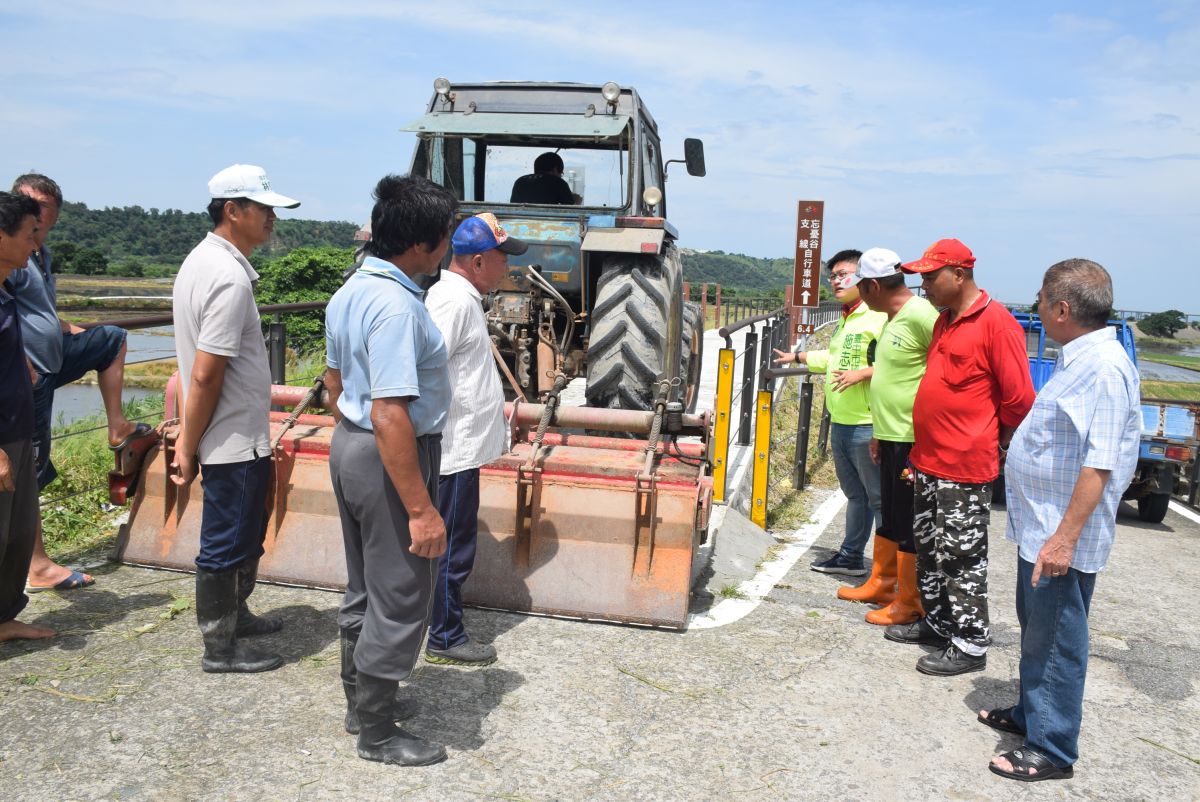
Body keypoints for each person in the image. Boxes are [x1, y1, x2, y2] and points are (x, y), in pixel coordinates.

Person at [981, 260, 1139, 782]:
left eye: (1043, 299)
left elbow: (1101, 462)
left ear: (1064, 308)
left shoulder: (1105, 368)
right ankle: (1032, 714)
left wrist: (1064, 538)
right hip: (1041, 526)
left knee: (1057, 641)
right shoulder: (1079, 358)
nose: (1038, 307)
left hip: (1061, 533)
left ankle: (1051, 747)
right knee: (1037, 629)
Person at [323, 174, 458, 767]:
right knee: (403, 592)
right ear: (424, 245)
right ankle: (377, 732)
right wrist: (421, 508)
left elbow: (335, 385)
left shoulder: (351, 290)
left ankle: (361, 701)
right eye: (447, 235)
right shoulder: (399, 306)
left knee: (365, 584)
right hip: (389, 454)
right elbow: (391, 411)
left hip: (351, 446)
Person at [883, 238, 1034, 676]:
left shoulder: (997, 324)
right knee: (930, 548)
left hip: (964, 465)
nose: (923, 285)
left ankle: (969, 643)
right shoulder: (944, 321)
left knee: (962, 556)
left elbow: (1019, 399)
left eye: (930, 276)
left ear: (959, 275)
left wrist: (992, 439)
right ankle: (938, 622)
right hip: (929, 459)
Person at [171, 164, 300, 674]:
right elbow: (204, 375)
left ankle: (236, 616)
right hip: (232, 439)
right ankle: (219, 647)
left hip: (235, 436)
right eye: (263, 208)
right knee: (226, 540)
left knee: (244, 532)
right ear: (233, 211)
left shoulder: (203, 262)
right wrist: (187, 443)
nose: (271, 219)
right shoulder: (226, 276)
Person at [10, 173, 156, 592]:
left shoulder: (39, 253)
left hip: (48, 360)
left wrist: (64, 326)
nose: (38, 230)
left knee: (110, 339)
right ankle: (35, 565)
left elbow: (36, 309)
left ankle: (117, 426)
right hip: (26, 372)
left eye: (46, 223)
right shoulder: (9, 253)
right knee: (30, 468)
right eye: (32, 221)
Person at [424, 213, 526, 666]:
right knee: (452, 546)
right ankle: (444, 635)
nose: (508, 268)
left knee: (453, 542)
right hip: (453, 450)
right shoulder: (455, 303)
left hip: (460, 447)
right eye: (503, 258)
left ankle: (437, 626)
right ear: (480, 260)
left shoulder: (459, 297)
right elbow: (425, 370)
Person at [837, 248, 939, 626]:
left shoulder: (921, 316)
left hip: (914, 438)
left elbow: (945, 365)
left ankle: (909, 601)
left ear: (874, 285)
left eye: (860, 285)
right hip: (892, 433)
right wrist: (880, 432)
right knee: (893, 515)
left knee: (910, 517)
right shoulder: (893, 317)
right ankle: (883, 582)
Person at [774, 249, 887, 577]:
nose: (836, 281)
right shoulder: (848, 317)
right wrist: (798, 358)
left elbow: (899, 366)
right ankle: (851, 556)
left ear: (864, 276)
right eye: (833, 276)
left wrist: (863, 374)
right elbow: (837, 358)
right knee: (855, 495)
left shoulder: (878, 317)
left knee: (878, 499)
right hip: (842, 420)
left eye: (843, 274)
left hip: (868, 423)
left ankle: (886, 569)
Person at [0, 192, 55, 642]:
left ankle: (3, 618)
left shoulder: (4, 292)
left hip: (17, 428)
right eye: (26, 235)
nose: (33, 246)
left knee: (16, 533)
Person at [509, 152, 575, 205]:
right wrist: (575, 199)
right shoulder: (558, 182)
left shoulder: (520, 181)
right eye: (561, 173)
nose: (560, 176)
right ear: (555, 169)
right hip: (548, 221)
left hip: (518, 220)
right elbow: (572, 211)